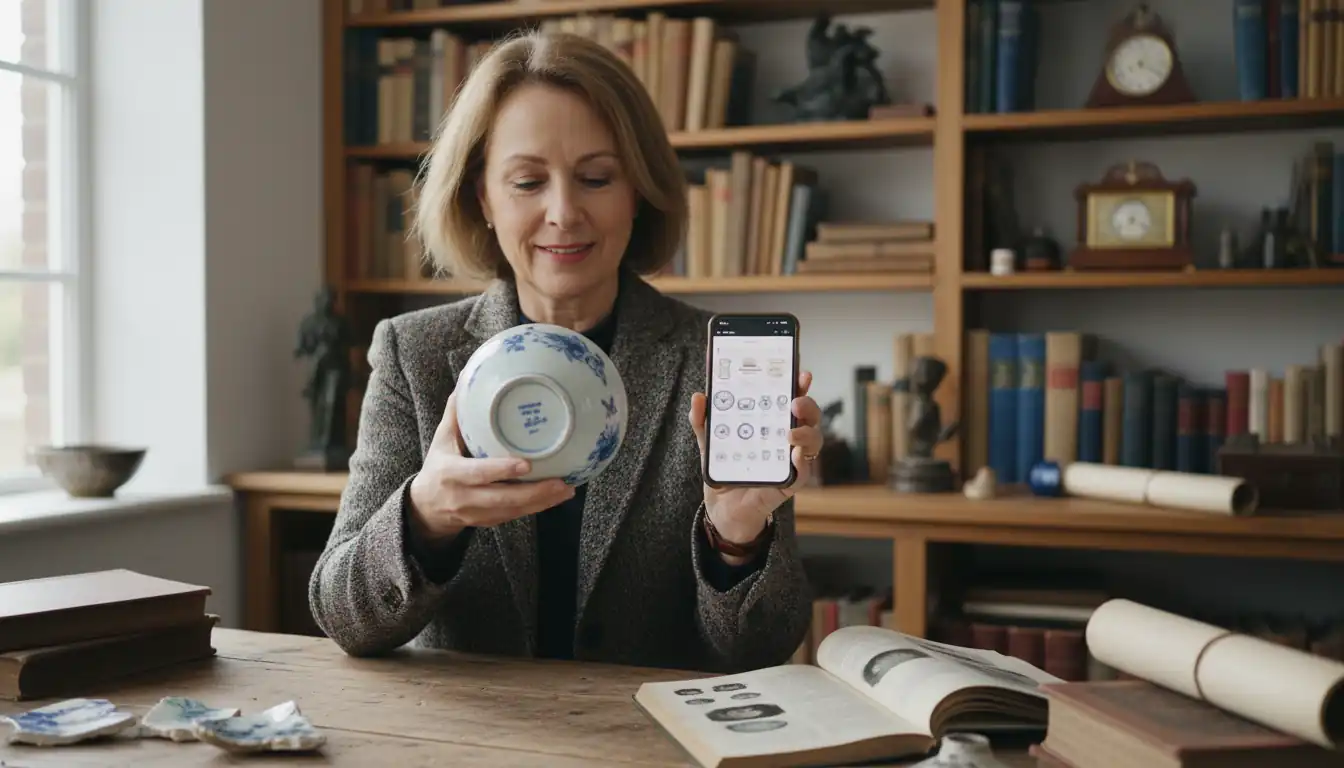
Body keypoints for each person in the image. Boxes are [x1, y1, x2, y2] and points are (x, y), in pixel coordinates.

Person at [307, 30, 822, 674]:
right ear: (482, 200)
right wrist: (427, 514)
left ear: (637, 191)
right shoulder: (416, 354)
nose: (564, 212)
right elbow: (343, 617)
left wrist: (737, 540)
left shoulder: (713, 365)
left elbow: (765, 649)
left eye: (596, 178)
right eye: (527, 182)